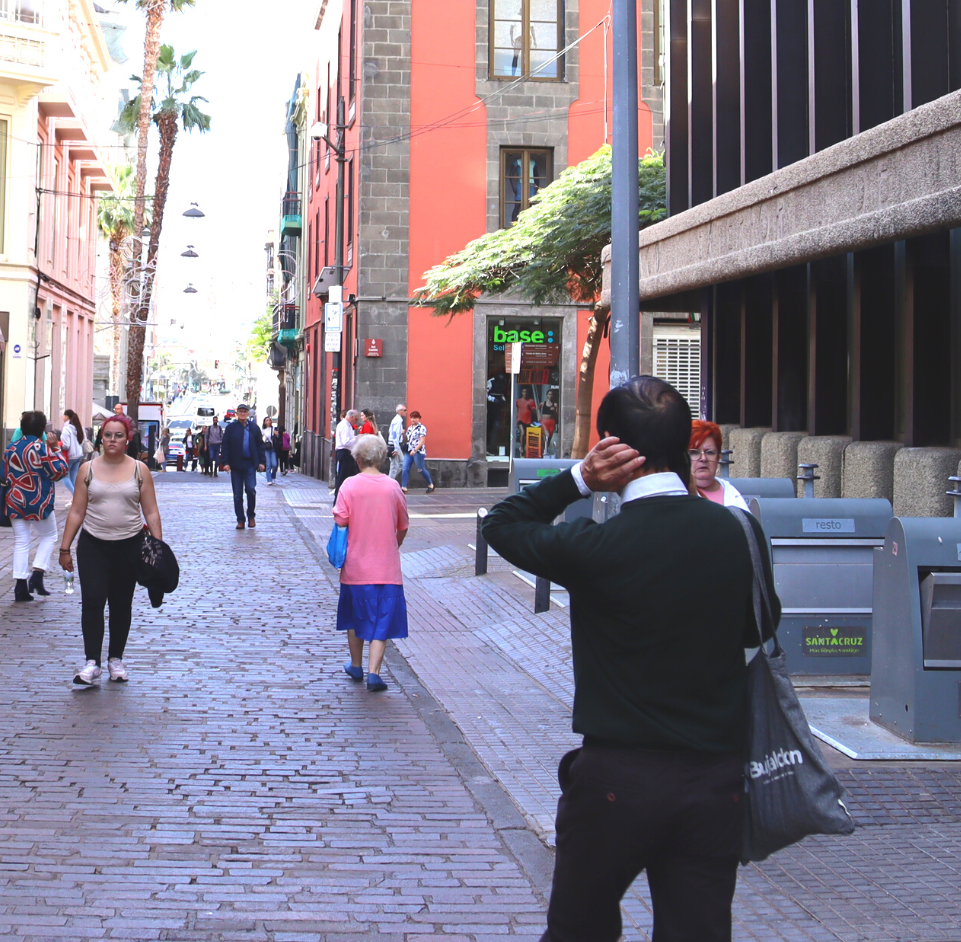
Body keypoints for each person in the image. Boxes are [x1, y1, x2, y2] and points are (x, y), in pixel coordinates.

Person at [482, 378, 777, 942]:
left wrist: (575, 479)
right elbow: (759, 627)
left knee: (579, 931)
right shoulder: (740, 531)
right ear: (683, 444)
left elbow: (501, 523)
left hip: (617, 779)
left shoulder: (596, 546)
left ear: (611, 448)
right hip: (714, 780)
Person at [56, 413, 162, 688]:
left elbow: (150, 511)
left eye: (118, 435)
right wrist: (65, 548)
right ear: (100, 438)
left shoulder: (140, 470)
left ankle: (116, 658)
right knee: (92, 600)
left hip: (129, 545)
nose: (112, 440)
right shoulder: (87, 469)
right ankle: (92, 662)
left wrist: (157, 550)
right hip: (94, 545)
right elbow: (78, 510)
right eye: (107, 435)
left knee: (120, 603)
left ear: (127, 439)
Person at [332, 434, 409, 691]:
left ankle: (356, 665)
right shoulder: (392, 487)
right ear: (381, 458)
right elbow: (403, 524)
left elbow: (341, 519)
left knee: (355, 618)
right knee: (382, 619)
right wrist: (393, 543)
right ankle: (375, 672)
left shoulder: (349, 486)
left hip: (356, 567)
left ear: (358, 459)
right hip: (386, 567)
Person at [3, 411, 71, 602]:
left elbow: (4, 474)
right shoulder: (43, 448)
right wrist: (55, 449)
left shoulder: (11, 448)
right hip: (39, 500)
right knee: (49, 536)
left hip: (15, 499)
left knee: (21, 541)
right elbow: (60, 471)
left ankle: (20, 584)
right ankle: (38, 574)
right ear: (42, 429)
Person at [221, 401, 268, 530]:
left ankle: (251, 516)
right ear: (237, 414)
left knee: (251, 490)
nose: (242, 414)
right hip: (236, 464)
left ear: (248, 414)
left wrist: (262, 462)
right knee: (237, 494)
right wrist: (225, 463)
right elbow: (225, 446)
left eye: (244, 412)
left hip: (249, 464)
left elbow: (260, 446)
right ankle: (240, 519)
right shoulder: (231, 428)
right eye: (240, 412)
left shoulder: (254, 428)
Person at [688, 420, 749, 508]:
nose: (703, 458)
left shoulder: (732, 494)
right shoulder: (677, 493)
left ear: (718, 457)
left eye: (709, 452)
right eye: (694, 453)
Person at [399, 410, 436, 494]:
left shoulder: (422, 428)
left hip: (418, 452)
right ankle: (404, 487)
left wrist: (415, 450)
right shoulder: (410, 428)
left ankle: (431, 485)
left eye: (415, 418)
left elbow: (422, 441)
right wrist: (403, 434)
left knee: (421, 469)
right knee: (405, 468)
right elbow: (407, 440)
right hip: (409, 451)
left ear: (419, 418)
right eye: (411, 418)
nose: (413, 420)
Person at [332, 409, 360, 497]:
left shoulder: (346, 425)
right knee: (343, 477)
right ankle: (338, 498)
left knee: (350, 476)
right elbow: (346, 442)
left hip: (347, 453)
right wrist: (357, 438)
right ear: (351, 417)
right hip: (344, 452)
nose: (356, 422)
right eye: (356, 419)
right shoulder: (344, 426)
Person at [60, 409, 88, 495]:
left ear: (67, 417)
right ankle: (77, 497)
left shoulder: (66, 429)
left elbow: (66, 445)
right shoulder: (80, 428)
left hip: (70, 456)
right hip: (79, 455)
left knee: (64, 476)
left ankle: (76, 496)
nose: (62, 417)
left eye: (63, 416)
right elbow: (84, 441)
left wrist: (59, 445)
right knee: (73, 477)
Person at [386, 404, 408, 483]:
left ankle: (390, 480)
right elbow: (395, 434)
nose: (406, 412)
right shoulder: (397, 420)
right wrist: (396, 448)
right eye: (404, 410)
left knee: (401, 464)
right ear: (400, 411)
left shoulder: (398, 420)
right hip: (394, 445)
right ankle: (388, 482)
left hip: (396, 444)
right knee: (394, 466)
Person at [262, 417, 279, 485]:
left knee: (274, 464)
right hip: (266, 448)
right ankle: (269, 479)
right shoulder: (263, 430)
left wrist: (276, 434)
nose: (268, 421)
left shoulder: (274, 429)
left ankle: (273, 476)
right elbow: (260, 439)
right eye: (267, 420)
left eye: (269, 420)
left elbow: (278, 438)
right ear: (264, 422)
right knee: (268, 464)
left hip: (273, 448)